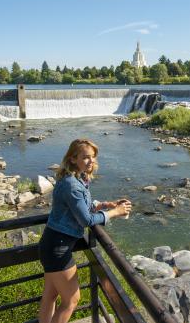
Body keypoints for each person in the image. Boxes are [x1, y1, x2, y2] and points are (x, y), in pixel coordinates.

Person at [38, 138, 132, 323]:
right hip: (58, 249)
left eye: (93, 157)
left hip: (50, 244)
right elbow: (86, 220)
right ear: (73, 159)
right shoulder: (72, 185)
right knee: (72, 300)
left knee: (50, 296)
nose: (91, 161)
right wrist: (114, 212)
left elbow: (79, 206)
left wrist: (104, 205)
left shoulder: (74, 178)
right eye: (86, 157)